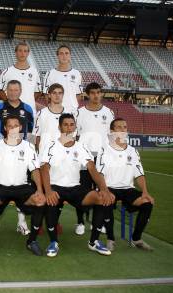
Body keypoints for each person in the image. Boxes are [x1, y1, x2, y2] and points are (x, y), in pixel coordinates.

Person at [41, 113, 114, 257]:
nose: (69, 128)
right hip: (55, 186)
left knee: (100, 198)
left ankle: (93, 242)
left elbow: (92, 169)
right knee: (50, 201)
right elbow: (44, 169)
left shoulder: (81, 147)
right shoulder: (51, 146)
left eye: (71, 124)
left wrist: (104, 189)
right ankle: (53, 242)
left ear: (75, 127)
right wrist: (48, 191)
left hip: (75, 187)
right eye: (65, 125)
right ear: (59, 126)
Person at [0, 115, 46, 256]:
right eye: (10, 126)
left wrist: (40, 190)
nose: (13, 128)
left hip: (22, 187)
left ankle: (32, 241)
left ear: (20, 127)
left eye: (16, 126)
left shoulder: (28, 146)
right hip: (0, 186)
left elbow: (35, 170)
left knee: (40, 201)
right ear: (5, 128)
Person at [97, 118, 154, 251]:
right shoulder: (104, 150)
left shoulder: (132, 151)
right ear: (112, 131)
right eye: (119, 127)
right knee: (107, 202)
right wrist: (104, 190)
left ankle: (136, 238)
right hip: (110, 187)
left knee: (147, 203)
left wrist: (145, 192)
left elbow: (139, 174)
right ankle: (110, 239)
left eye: (125, 127)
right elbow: (99, 174)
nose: (123, 130)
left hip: (128, 189)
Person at [0, 80, 34, 235]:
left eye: (16, 90)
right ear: (6, 91)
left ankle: (21, 223)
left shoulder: (27, 109)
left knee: (21, 186)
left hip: (21, 154)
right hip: (1, 153)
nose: (13, 92)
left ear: (20, 91)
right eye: (10, 90)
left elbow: (30, 133)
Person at [74, 82, 114, 235]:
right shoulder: (79, 113)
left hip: (102, 158)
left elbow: (112, 136)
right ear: (87, 95)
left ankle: (98, 222)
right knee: (83, 191)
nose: (96, 95)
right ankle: (80, 222)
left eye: (98, 92)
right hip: (84, 158)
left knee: (101, 190)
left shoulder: (109, 112)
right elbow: (74, 135)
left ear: (101, 93)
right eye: (92, 93)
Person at [0, 41, 41, 116]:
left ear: (28, 53)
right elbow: (1, 92)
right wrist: (11, 103)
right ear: (15, 52)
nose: (22, 53)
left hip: (29, 111)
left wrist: (27, 101)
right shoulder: (7, 72)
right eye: (20, 51)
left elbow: (37, 92)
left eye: (25, 51)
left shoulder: (34, 72)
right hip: (11, 112)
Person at [43, 45, 82, 111]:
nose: (64, 56)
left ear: (70, 55)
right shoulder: (50, 73)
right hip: (56, 110)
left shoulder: (77, 73)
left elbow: (78, 94)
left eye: (66, 53)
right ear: (57, 56)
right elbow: (46, 94)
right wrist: (53, 109)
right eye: (61, 53)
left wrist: (73, 106)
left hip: (72, 111)